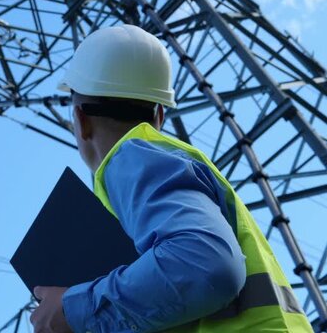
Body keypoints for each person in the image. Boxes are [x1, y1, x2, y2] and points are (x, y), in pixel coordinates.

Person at [29, 25, 312, 333]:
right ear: (159, 115)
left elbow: (207, 266)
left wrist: (75, 309)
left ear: (80, 120)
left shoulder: (131, 157)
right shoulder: (167, 165)